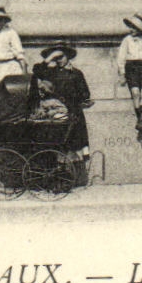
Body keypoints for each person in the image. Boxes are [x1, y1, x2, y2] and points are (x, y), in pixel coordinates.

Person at [32, 43, 93, 182]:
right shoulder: (51, 72)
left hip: (74, 113)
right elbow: (36, 71)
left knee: (74, 144)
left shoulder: (76, 73)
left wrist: (73, 98)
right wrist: (49, 59)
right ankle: (61, 177)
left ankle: (74, 178)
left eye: (61, 56)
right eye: (56, 58)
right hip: (56, 113)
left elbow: (85, 93)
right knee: (59, 143)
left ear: (68, 57)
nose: (58, 60)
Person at [116, 14, 142, 137]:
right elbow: (121, 56)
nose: (131, 30)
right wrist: (122, 73)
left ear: (139, 29)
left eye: (133, 27)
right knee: (136, 93)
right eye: (130, 27)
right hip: (131, 67)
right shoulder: (127, 40)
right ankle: (140, 119)